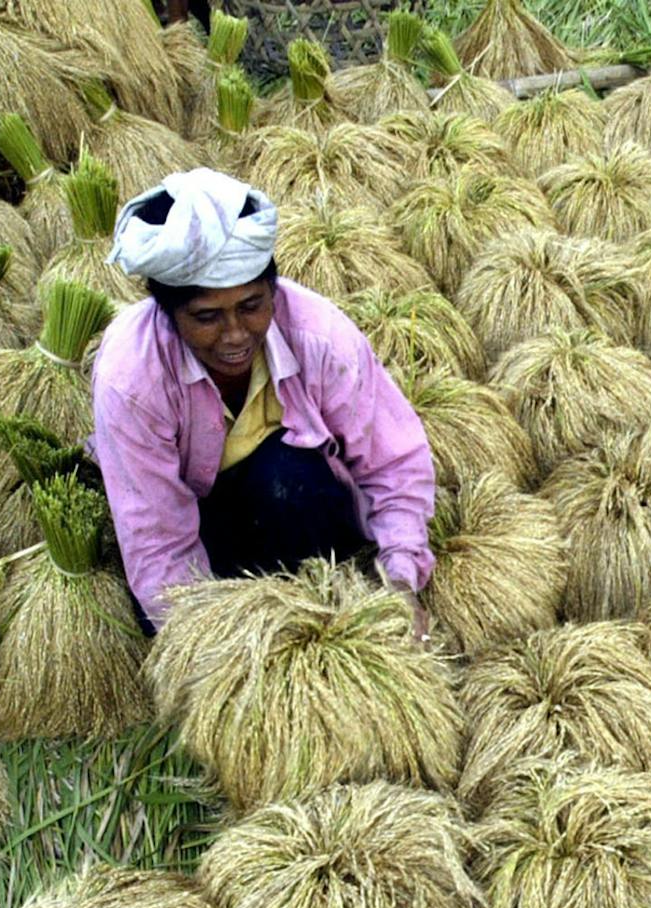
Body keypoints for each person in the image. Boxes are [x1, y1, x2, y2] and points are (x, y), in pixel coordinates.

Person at [89, 168, 437, 637]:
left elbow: (392, 465)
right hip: (201, 523)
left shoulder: (319, 336)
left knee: (286, 478)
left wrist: (400, 582)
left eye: (252, 306)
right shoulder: (131, 378)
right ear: (168, 313)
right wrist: (206, 645)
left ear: (273, 290)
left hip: (295, 507)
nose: (235, 335)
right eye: (207, 317)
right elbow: (157, 540)